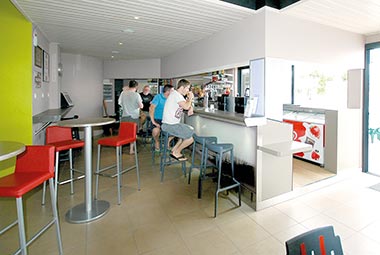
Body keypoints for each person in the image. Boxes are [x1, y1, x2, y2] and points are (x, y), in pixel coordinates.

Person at [161, 79, 194, 161]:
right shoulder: (176, 95)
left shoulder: (176, 95)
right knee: (191, 137)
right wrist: (190, 98)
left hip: (168, 125)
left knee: (183, 135)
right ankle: (177, 152)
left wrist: (191, 107)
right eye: (187, 88)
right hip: (170, 126)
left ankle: (174, 151)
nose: (188, 91)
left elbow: (185, 105)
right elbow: (186, 106)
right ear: (182, 87)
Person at [118, 80, 143, 154]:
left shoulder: (123, 93)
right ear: (136, 86)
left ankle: (120, 149)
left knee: (123, 133)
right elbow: (141, 105)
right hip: (134, 116)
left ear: (129, 86)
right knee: (133, 134)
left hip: (125, 115)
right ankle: (131, 150)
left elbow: (120, 103)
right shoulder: (136, 95)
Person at [149, 84, 174, 152]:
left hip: (167, 119)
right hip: (157, 119)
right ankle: (157, 141)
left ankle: (167, 142)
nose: (174, 92)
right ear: (168, 91)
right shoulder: (158, 97)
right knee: (156, 131)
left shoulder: (171, 98)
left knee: (176, 131)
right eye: (172, 91)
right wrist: (153, 121)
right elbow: (151, 108)